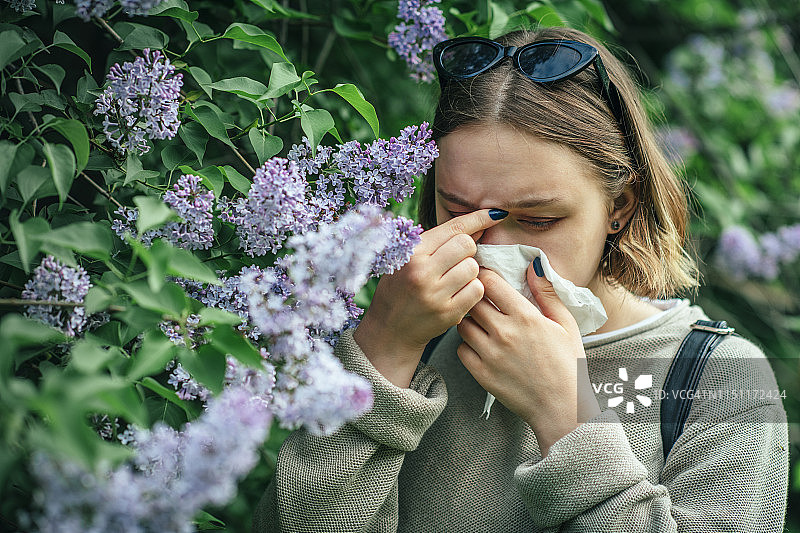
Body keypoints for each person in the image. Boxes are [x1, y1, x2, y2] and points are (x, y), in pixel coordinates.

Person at [253, 26, 789, 532]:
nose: (495, 251)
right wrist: (383, 351)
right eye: (457, 211)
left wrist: (567, 416)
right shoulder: (417, 334)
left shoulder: (719, 381)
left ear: (619, 207)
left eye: (538, 220)